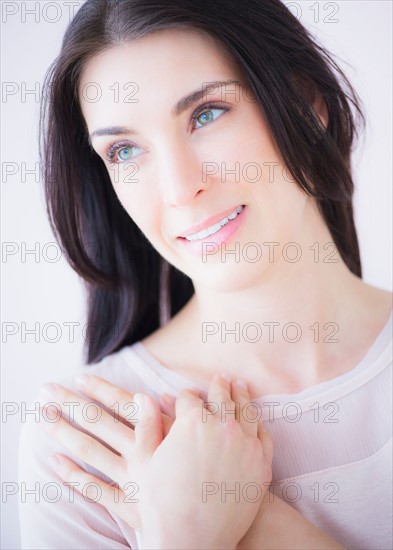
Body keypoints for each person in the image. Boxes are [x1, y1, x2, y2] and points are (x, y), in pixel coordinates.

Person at [18, 0, 392, 548]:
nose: (178, 187)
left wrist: (252, 525)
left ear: (308, 104)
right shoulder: (85, 442)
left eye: (207, 114)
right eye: (124, 150)